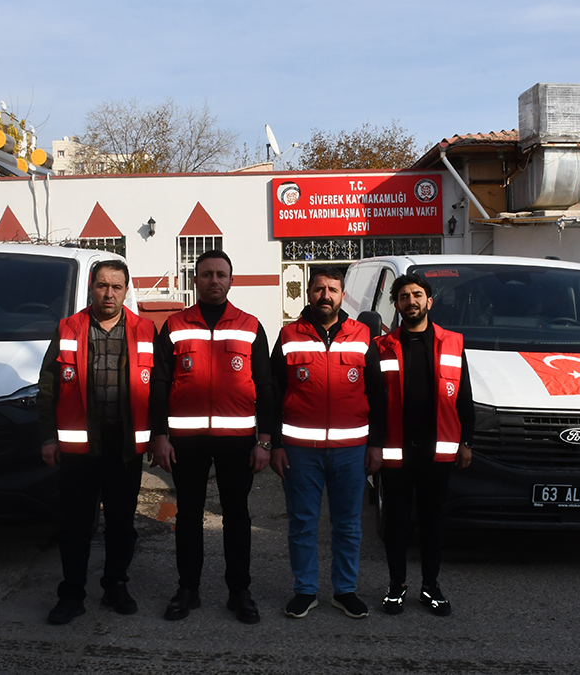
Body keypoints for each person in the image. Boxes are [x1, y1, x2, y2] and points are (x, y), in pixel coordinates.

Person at [149, 250, 275, 624]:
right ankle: (188, 588)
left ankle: (239, 591)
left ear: (231, 280)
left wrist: (264, 440)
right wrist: (159, 435)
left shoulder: (251, 325)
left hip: (237, 439)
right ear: (196, 280)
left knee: (237, 516)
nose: (214, 281)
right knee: (187, 516)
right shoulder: (173, 325)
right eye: (206, 274)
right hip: (185, 440)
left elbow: (266, 386)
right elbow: (158, 384)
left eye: (221, 274)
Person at [37, 259, 156, 624]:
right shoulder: (69, 328)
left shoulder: (146, 330)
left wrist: (158, 436)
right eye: (102, 285)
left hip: (124, 447)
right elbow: (48, 386)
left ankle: (115, 585)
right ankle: (71, 594)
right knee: (75, 524)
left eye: (116, 287)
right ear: (91, 287)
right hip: (79, 447)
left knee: (122, 523)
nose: (109, 293)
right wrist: (48, 438)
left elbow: (160, 389)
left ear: (126, 290)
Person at [270, 267, 384, 619]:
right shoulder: (289, 335)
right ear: (308, 292)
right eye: (319, 289)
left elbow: (377, 395)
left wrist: (376, 444)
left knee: (348, 524)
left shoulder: (362, 335)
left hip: (351, 450)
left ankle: (344, 590)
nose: (325, 296)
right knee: (302, 522)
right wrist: (274, 444)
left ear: (342, 294)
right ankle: (305, 590)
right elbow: (273, 393)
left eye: (332, 289)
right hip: (300, 451)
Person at [373, 273, 473, 616]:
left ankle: (431, 587)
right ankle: (395, 587)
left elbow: (465, 397)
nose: (410, 301)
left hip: (439, 450)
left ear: (429, 301)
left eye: (417, 295)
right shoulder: (382, 346)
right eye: (403, 296)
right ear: (397, 304)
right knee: (397, 523)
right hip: (397, 450)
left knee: (432, 521)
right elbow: (373, 401)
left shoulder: (454, 343)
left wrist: (466, 442)